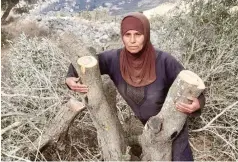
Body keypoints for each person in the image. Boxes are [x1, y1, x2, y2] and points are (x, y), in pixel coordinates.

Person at [65, 12, 205, 161]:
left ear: (146, 34)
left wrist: (199, 103)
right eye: (127, 34)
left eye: (138, 34)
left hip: (173, 127)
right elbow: (88, 60)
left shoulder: (165, 61)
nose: (132, 40)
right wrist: (69, 77)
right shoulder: (114, 60)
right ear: (122, 36)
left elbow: (191, 84)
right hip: (149, 129)